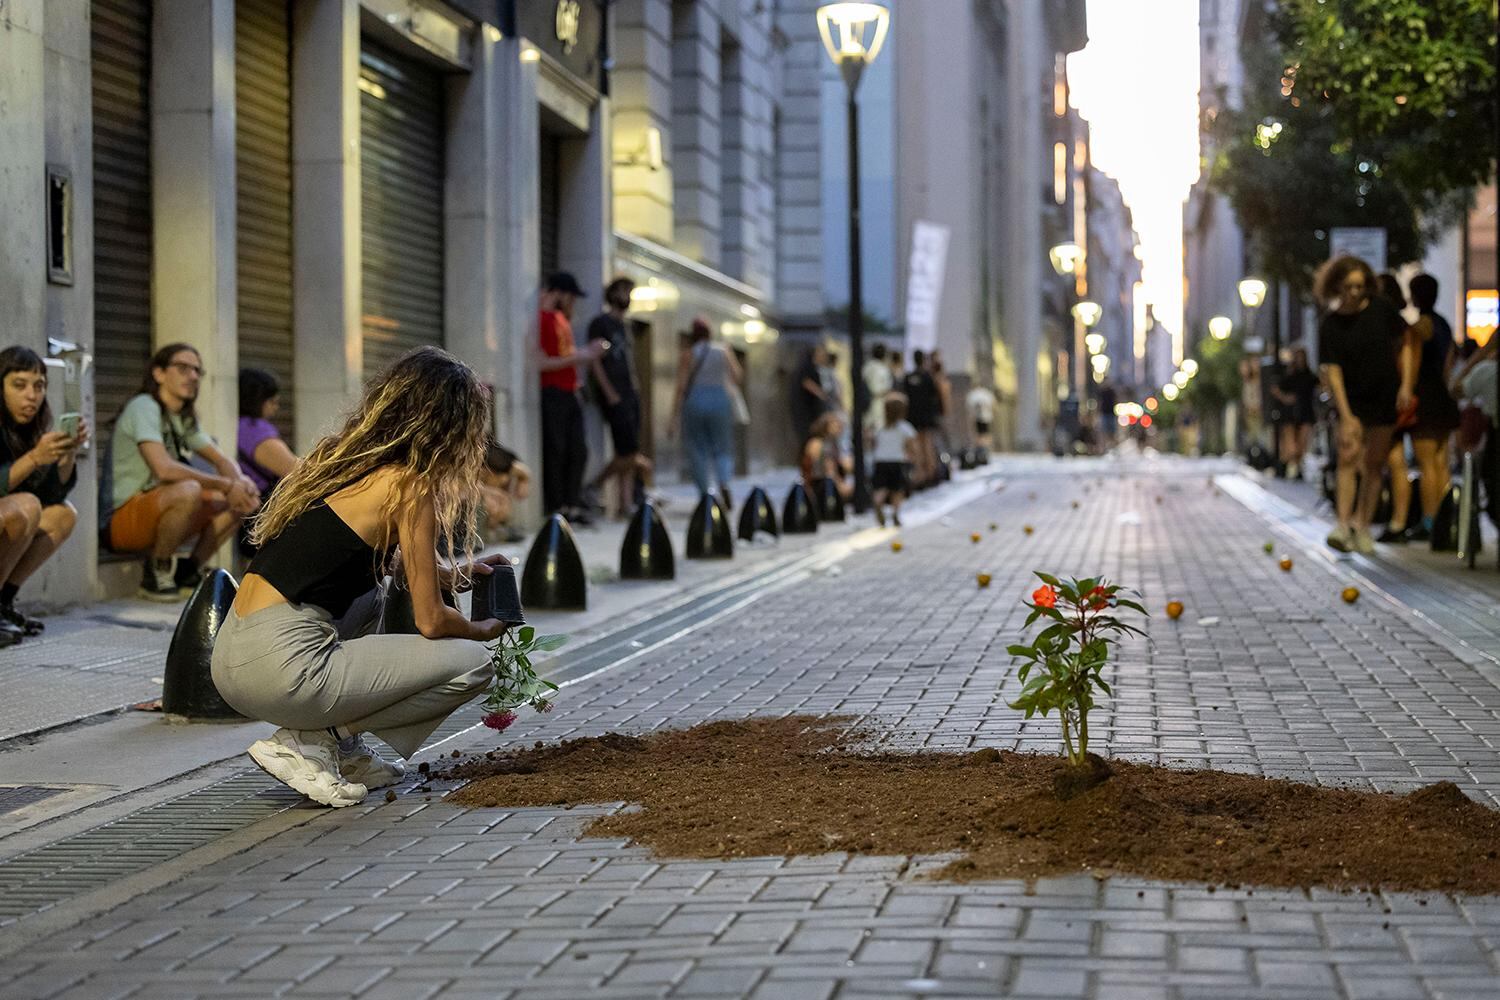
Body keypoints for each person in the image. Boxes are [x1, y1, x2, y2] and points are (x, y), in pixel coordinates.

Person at [211, 347, 509, 808]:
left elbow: (351, 560)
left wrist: (451, 574)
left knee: (375, 593)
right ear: (450, 426)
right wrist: (483, 630)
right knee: (472, 665)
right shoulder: (412, 485)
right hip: (285, 669)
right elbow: (432, 621)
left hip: (232, 658)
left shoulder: (343, 466)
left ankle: (342, 751)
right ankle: (318, 738)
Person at [106, 343, 261, 600]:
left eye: (197, 371)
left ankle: (187, 572)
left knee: (239, 501)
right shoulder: (144, 406)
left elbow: (221, 459)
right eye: (182, 368)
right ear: (158, 374)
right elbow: (163, 469)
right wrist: (225, 484)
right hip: (121, 519)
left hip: (156, 509)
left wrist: (241, 482)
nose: (191, 376)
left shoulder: (182, 418)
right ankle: (157, 572)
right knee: (190, 490)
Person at [1316, 256, 1417, 553]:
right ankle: (1342, 524)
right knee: (1347, 458)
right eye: (1349, 287)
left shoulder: (1382, 310)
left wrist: (1407, 384)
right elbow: (1332, 371)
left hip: (1384, 395)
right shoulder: (1330, 324)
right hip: (1351, 399)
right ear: (1336, 286)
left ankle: (1363, 526)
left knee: (1374, 464)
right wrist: (1346, 414)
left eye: (1360, 286)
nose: (1355, 292)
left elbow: (1407, 341)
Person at [0, 346, 85, 642]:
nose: (32, 395)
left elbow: (50, 495)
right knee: (24, 506)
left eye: (39, 386)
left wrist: (67, 454)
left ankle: (3, 603)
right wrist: (35, 458)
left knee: (62, 515)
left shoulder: (29, 428)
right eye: (19, 385)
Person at [536, 272, 605, 524]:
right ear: (560, 294)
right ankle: (557, 507)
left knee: (578, 450)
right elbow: (541, 362)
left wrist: (583, 354)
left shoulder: (560, 320)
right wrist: (583, 355)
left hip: (570, 392)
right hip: (553, 391)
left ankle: (571, 504)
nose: (573, 303)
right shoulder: (543, 319)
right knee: (556, 450)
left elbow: (566, 354)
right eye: (572, 298)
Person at [585, 277, 653, 518]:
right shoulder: (600, 323)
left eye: (630, 292)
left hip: (630, 393)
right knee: (630, 452)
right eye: (625, 291)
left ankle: (625, 505)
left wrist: (635, 389)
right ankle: (594, 485)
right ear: (613, 293)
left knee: (626, 450)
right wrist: (609, 392)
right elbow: (594, 361)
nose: (628, 296)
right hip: (614, 395)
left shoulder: (626, 326)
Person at [1403, 273, 1462, 541]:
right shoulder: (1445, 325)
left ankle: (1429, 522)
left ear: (1415, 295)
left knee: (1426, 464)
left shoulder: (1420, 327)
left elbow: (1412, 367)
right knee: (1441, 462)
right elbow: (1450, 365)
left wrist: (1406, 391)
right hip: (1444, 398)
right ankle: (1443, 521)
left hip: (1425, 397)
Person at [671, 319, 743, 510]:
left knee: (697, 448)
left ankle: (705, 493)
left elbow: (681, 386)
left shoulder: (688, 354)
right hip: (720, 400)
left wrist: (674, 417)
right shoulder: (724, 350)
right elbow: (737, 374)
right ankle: (724, 481)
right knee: (723, 447)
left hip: (695, 401)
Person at [1372, 273, 1415, 539]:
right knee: (1388, 460)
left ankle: (1399, 520)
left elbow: (1406, 355)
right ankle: (1395, 518)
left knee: (1394, 459)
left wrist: (1405, 387)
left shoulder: (1394, 325)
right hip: (1385, 394)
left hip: (1390, 397)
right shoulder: (1389, 322)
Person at [237, 368, 298, 499]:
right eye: (272, 402)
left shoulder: (236, 425)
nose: (276, 408)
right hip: (262, 506)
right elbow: (294, 469)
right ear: (257, 400)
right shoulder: (254, 429)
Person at [1271, 348, 1318, 480]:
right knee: (1291, 446)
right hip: (1291, 413)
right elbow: (1275, 388)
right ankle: (1286, 465)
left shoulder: (1310, 376)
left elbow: (1320, 385)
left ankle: (1296, 468)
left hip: (1306, 411)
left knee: (1302, 444)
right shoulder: (1290, 376)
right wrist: (1285, 398)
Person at [871, 394, 917, 528]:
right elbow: (911, 446)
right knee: (897, 490)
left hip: (880, 461)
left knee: (881, 488)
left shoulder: (880, 426)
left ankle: (878, 502)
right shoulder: (905, 427)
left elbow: (873, 443)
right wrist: (913, 458)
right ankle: (896, 513)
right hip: (897, 461)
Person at [478, 441, 532, 540]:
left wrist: (523, 483)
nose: (503, 480)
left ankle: (498, 528)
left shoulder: (508, 466)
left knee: (501, 503)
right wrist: (491, 493)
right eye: (497, 476)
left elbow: (525, 473)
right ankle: (491, 530)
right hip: (478, 495)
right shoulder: (477, 471)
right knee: (494, 503)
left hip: (495, 492)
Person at [902, 350, 941, 487]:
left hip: (913, 415)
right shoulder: (927, 377)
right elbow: (935, 396)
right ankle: (930, 472)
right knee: (927, 444)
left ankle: (920, 474)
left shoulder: (908, 377)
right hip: (925, 415)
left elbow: (905, 396)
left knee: (917, 445)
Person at [800, 411, 853, 501]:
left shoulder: (831, 443)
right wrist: (840, 486)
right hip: (819, 484)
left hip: (824, 483)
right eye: (834, 424)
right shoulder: (818, 444)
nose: (838, 427)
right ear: (826, 426)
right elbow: (826, 469)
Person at [862, 344, 893, 438]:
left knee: (866, 429)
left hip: (865, 402)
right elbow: (877, 390)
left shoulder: (866, 366)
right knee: (876, 431)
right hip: (877, 403)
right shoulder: (882, 369)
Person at [966, 382, 997, 452]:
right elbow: (993, 404)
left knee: (982, 433)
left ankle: (983, 446)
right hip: (985, 417)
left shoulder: (975, 394)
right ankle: (983, 446)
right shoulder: (986, 394)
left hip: (981, 417)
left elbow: (969, 406)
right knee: (984, 433)